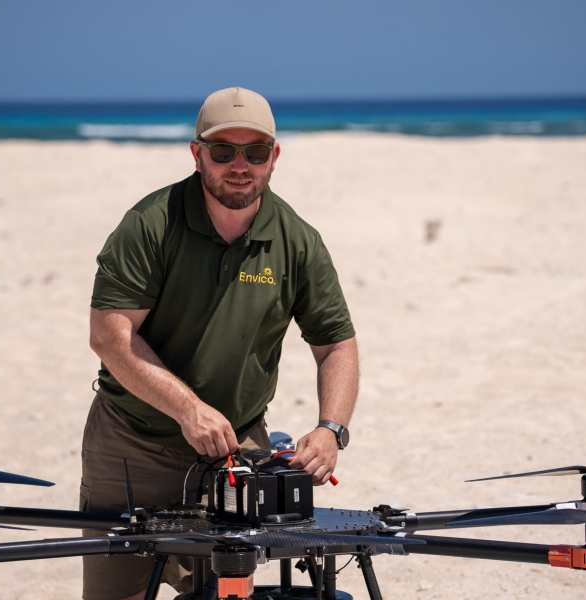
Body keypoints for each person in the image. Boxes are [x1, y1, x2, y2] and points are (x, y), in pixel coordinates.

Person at [79, 87, 360, 600]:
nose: (240, 165)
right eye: (223, 150)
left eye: (254, 152)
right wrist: (187, 409)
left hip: (237, 455)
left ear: (274, 157)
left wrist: (330, 430)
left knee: (223, 593)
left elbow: (336, 343)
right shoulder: (150, 224)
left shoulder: (297, 240)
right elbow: (110, 336)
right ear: (196, 154)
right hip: (131, 447)